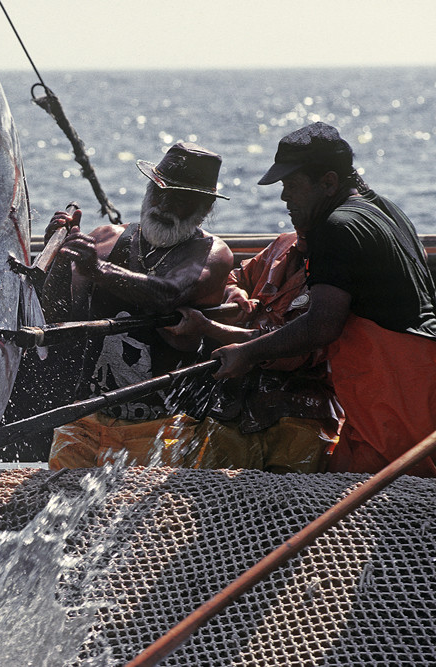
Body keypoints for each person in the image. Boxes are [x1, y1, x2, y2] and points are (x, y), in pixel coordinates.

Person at [213, 122, 436, 477]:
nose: (284, 197)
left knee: (383, 509)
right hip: (416, 382)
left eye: (291, 185)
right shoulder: (388, 210)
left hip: (395, 398)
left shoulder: (335, 228)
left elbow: (322, 325)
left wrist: (247, 353)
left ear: (329, 182)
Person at [43, 141, 234, 470]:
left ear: (204, 208)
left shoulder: (212, 254)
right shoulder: (105, 238)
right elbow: (57, 317)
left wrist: (99, 270)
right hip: (86, 419)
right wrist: (61, 260)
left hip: (165, 427)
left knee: (147, 520)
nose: (163, 204)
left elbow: (169, 294)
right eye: (158, 191)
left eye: (179, 197)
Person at [165, 230, 342, 473]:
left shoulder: (339, 269)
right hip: (233, 402)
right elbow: (234, 278)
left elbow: (299, 346)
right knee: (203, 479)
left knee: (292, 495)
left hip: (302, 411)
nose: (289, 203)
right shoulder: (285, 244)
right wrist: (235, 293)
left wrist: (208, 327)